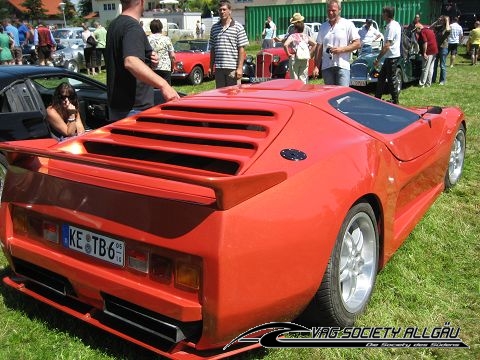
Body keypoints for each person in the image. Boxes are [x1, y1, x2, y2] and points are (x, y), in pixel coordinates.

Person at [106, 0, 179, 122]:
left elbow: (123, 59)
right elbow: (131, 61)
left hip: (117, 106)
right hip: (134, 109)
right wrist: (164, 84)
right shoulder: (132, 27)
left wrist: (148, 60)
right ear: (141, 1)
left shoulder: (114, 25)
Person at [313, 0, 360, 86]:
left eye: (333, 10)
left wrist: (341, 49)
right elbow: (319, 47)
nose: (331, 13)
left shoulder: (347, 24)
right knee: (329, 96)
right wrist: (316, 66)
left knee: (343, 96)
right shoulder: (323, 27)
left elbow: (357, 43)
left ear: (339, 10)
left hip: (342, 66)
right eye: (329, 10)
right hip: (327, 67)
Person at [209, 0, 249, 88]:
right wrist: (211, 66)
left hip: (232, 69)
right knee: (220, 95)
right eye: (220, 10)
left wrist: (239, 68)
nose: (222, 12)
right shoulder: (214, 28)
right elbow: (213, 49)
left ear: (230, 11)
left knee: (234, 95)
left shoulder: (238, 27)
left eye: (224, 9)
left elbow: (241, 49)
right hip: (219, 68)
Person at [373, 6, 402, 104]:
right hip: (391, 56)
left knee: (391, 79)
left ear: (387, 14)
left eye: (383, 13)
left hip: (392, 56)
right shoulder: (395, 24)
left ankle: (395, 100)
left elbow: (387, 46)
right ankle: (377, 97)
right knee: (381, 77)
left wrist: (377, 58)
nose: (382, 15)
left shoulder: (391, 27)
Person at [283, 14, 316, 84]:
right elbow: (315, 44)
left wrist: (288, 54)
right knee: (303, 78)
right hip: (304, 58)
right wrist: (310, 53)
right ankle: (303, 92)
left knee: (294, 79)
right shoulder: (306, 36)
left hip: (294, 58)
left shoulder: (293, 36)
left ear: (295, 28)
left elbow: (285, 44)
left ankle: (296, 93)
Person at [148, 19, 175, 84]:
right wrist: (172, 66)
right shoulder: (166, 39)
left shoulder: (148, 39)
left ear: (151, 28)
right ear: (161, 28)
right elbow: (172, 55)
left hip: (152, 68)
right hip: (165, 67)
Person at [416, 23, 438, 88]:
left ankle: (421, 83)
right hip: (434, 51)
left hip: (429, 51)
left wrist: (424, 53)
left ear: (419, 28)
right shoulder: (429, 30)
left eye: (416, 30)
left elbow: (425, 42)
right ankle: (428, 84)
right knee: (431, 68)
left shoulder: (422, 32)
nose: (416, 32)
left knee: (425, 68)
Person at [431, 15, 450, 85]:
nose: (441, 21)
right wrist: (437, 21)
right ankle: (433, 79)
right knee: (434, 64)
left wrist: (447, 21)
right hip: (437, 47)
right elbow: (431, 27)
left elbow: (447, 30)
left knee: (442, 65)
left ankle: (442, 81)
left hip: (443, 48)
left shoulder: (447, 27)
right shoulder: (440, 27)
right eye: (441, 20)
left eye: (442, 20)